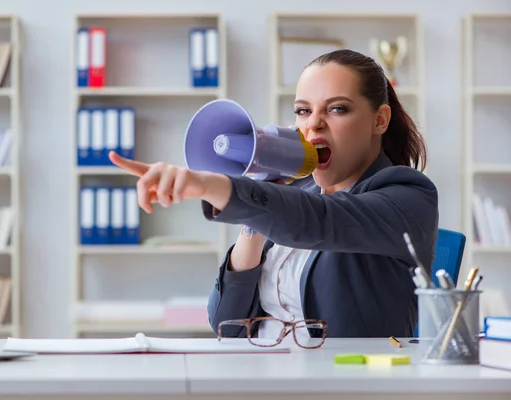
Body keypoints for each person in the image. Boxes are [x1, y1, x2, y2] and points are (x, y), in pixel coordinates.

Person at [109, 48, 439, 340]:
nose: (314, 126)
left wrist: (213, 184)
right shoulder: (291, 195)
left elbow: (320, 220)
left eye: (337, 109)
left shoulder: (407, 196)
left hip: (344, 383)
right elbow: (226, 322)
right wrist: (253, 227)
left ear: (379, 120)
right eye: (303, 111)